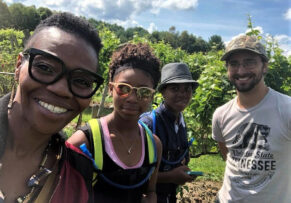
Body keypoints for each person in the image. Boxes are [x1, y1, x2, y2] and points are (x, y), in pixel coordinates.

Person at [0, 12, 104, 203]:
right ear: (18, 66)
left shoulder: (79, 173)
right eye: (45, 68)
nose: (61, 90)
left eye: (81, 81)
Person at [68, 43, 163, 203]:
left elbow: (151, 191)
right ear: (111, 88)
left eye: (144, 91)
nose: (132, 98)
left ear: (152, 96)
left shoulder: (154, 145)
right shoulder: (83, 143)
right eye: (124, 88)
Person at [212, 35, 291, 203]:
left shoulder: (287, 109)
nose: (241, 71)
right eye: (234, 64)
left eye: (249, 62)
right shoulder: (221, 115)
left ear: (265, 66)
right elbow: (229, 155)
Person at [140, 62, 199, 203]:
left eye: (187, 89)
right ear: (162, 92)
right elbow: (134, 175)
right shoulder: (148, 124)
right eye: (174, 88)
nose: (182, 94)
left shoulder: (180, 121)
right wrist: (172, 176)